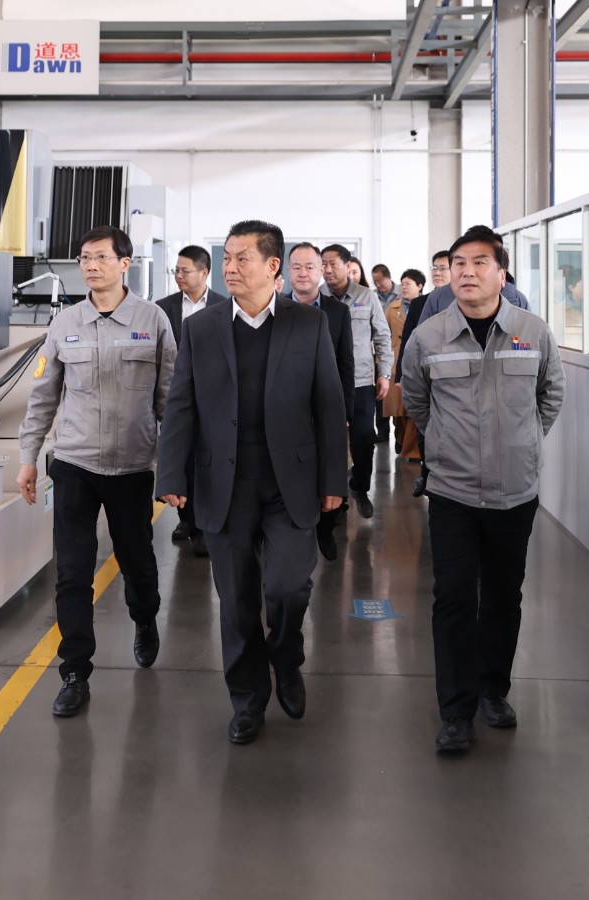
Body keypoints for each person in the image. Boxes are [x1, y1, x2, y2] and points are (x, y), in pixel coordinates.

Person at [156, 220, 348, 745]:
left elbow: (329, 405)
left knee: (288, 587)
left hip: (292, 484)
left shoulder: (307, 324)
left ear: (272, 266)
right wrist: (171, 473)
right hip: (224, 484)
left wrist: (335, 478)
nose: (231, 267)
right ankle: (247, 700)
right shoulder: (202, 328)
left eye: (242, 258)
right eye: (227, 258)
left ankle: (285, 656)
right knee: (237, 600)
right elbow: (181, 405)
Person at [402, 225, 564, 754]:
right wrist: (445, 444)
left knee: (502, 595)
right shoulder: (429, 336)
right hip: (453, 492)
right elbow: (417, 400)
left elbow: (550, 395)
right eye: (458, 263)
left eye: (479, 263)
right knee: (452, 597)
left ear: (502, 272)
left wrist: (523, 442)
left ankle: (494, 690)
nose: (466, 272)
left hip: (515, 492)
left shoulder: (532, 331)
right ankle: (456, 711)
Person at [17, 225, 177, 718]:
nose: (90, 265)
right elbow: (43, 397)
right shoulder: (65, 323)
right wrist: (28, 457)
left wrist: (175, 468)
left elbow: (170, 400)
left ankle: (144, 618)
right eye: (85, 257)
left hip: (132, 467)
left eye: (101, 257)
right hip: (74, 465)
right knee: (72, 572)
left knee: (137, 563)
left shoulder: (152, 320)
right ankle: (74, 672)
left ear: (125, 263)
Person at [285, 242, 356, 560]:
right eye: (297, 267)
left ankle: (325, 531)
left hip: (326, 406)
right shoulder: (274, 309)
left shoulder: (337, 312)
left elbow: (345, 363)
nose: (303, 273)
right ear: (287, 271)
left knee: (330, 470)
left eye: (310, 267)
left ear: (321, 271)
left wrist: (346, 412)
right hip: (287, 408)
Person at [321, 243, 392, 520]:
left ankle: (359, 487)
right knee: (329, 440)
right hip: (326, 380)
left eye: (333, 264)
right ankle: (333, 496)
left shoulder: (366, 296)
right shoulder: (317, 297)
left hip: (361, 381)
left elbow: (382, 336)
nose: (327, 269)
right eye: (323, 264)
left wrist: (384, 373)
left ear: (347, 265)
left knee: (363, 438)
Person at [157, 245, 215, 558]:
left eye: (185, 270)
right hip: (175, 397)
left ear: (204, 273)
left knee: (207, 460)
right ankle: (187, 519)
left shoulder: (224, 306)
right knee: (182, 458)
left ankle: (202, 522)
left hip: (213, 397)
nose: (179, 275)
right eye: (176, 270)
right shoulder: (162, 308)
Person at [394, 250, 452, 498]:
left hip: (453, 376)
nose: (437, 272)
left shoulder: (464, 301)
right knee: (423, 426)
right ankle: (427, 475)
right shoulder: (420, 303)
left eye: (443, 268)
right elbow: (408, 341)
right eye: (434, 268)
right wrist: (401, 375)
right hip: (424, 374)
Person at [386, 268, 426, 460]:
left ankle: (411, 450)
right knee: (397, 411)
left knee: (412, 408)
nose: (403, 287)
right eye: (402, 283)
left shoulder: (426, 305)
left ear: (420, 286)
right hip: (395, 360)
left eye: (408, 284)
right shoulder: (392, 308)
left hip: (416, 359)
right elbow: (383, 333)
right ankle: (400, 440)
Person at [371, 263, 401, 442]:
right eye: (375, 282)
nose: (378, 285)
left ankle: (400, 437)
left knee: (397, 395)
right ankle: (382, 433)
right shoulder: (372, 296)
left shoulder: (402, 293)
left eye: (380, 281)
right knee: (380, 395)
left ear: (389, 277)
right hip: (380, 352)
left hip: (397, 350)